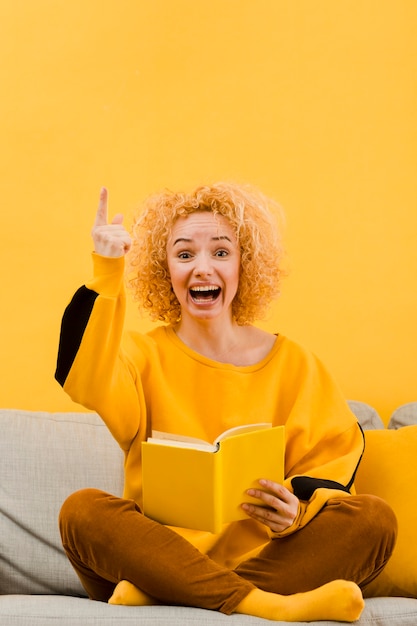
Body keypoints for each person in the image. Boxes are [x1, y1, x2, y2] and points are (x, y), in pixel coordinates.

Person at [56, 182, 397, 622]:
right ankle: (267, 606)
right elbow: (83, 376)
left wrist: (296, 514)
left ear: (244, 266)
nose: (202, 268)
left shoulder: (295, 364)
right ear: (166, 272)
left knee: (374, 519)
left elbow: (332, 465)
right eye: (184, 254)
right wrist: (106, 269)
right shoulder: (142, 357)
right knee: (81, 511)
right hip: (157, 558)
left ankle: (170, 598)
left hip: (265, 561)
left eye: (220, 252)